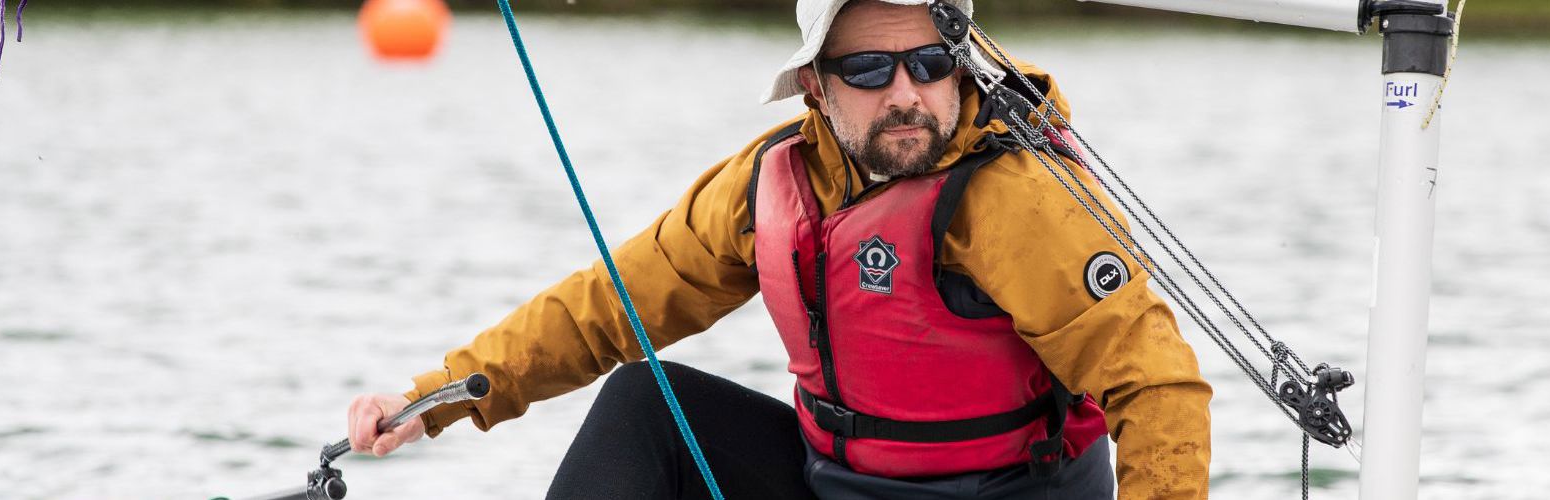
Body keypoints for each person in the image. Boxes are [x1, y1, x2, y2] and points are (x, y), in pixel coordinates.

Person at [344, 1, 1211, 498]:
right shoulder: (773, 183)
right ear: (815, 87)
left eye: (930, 63)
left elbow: (1160, 384)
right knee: (648, 401)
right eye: (870, 71)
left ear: (962, 63)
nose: (905, 93)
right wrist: (438, 398)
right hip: (844, 490)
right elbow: (608, 309)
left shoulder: (1019, 203)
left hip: (1011, 499)